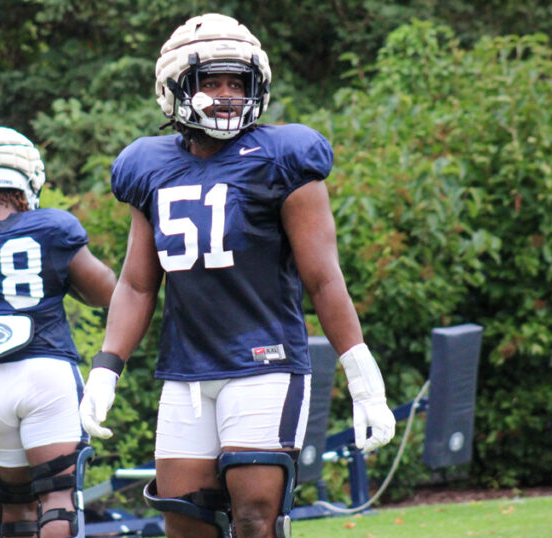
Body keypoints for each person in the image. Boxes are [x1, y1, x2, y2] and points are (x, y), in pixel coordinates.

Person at [78, 13, 396, 538]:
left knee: (255, 518)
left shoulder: (283, 157)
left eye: (236, 82)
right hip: (185, 372)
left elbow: (324, 279)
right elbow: (137, 284)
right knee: (184, 522)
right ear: (174, 88)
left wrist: (361, 376)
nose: (226, 94)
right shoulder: (150, 165)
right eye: (209, 81)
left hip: (264, 363)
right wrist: (107, 368)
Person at [0, 127, 116, 538]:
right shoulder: (51, 227)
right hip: (47, 371)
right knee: (58, 500)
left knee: (15, 511)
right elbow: (108, 292)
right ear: (29, 177)